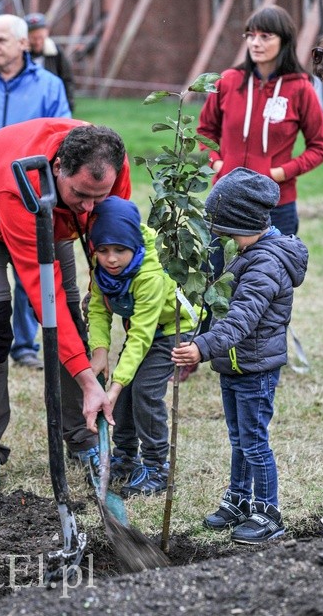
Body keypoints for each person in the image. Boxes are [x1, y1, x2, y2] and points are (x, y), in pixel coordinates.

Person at [0, 118, 132, 496]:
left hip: (52, 215)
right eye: (81, 195)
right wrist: (89, 379)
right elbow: (45, 298)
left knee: (73, 318)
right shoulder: (17, 183)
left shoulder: (110, 166)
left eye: (99, 196)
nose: (91, 207)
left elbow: (107, 237)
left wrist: (103, 298)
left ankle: (82, 436)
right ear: (58, 168)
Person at [172, 167, 308, 545]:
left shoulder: (265, 264)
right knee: (239, 437)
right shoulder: (248, 251)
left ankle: (268, 512)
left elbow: (241, 320)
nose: (223, 239)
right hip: (234, 365)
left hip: (256, 369)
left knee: (254, 441)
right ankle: (238, 498)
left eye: (228, 232)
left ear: (248, 224)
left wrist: (201, 347)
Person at [0, 13, 72, 371]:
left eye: (1, 40)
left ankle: (26, 345)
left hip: (29, 194)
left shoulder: (49, 85)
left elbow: (64, 134)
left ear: (23, 43)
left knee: (31, 272)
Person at [87, 197, 203, 496]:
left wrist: (115, 385)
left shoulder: (150, 275)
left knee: (143, 391)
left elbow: (141, 334)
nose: (111, 259)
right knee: (124, 391)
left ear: (134, 246)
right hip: (143, 330)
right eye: (103, 251)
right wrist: (100, 350)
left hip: (172, 330)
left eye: (120, 251)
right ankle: (125, 457)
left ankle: (156, 467)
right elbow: (99, 309)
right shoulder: (101, 269)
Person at [197, 5, 323, 239]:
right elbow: (205, 131)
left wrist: (278, 173)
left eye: (265, 36)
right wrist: (218, 165)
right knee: (217, 274)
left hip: (276, 205)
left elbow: (320, 146)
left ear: (284, 40)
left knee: (271, 274)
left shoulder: (300, 89)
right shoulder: (227, 81)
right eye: (250, 35)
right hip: (225, 200)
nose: (255, 43)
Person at [24, 12, 75, 113]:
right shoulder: (21, 55)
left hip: (51, 102)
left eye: (40, 37)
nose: (37, 42)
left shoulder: (55, 52)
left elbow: (67, 79)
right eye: (33, 38)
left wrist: (69, 104)